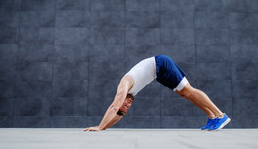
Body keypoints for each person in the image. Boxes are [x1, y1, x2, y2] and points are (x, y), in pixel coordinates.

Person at [83, 55, 230, 132]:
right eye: (127, 108)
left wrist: (99, 127)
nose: (127, 105)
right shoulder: (129, 94)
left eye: (124, 104)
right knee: (184, 94)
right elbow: (118, 113)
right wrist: (106, 126)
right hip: (158, 74)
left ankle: (220, 115)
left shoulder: (123, 87)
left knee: (188, 90)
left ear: (121, 99)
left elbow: (115, 107)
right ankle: (211, 117)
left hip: (160, 64)